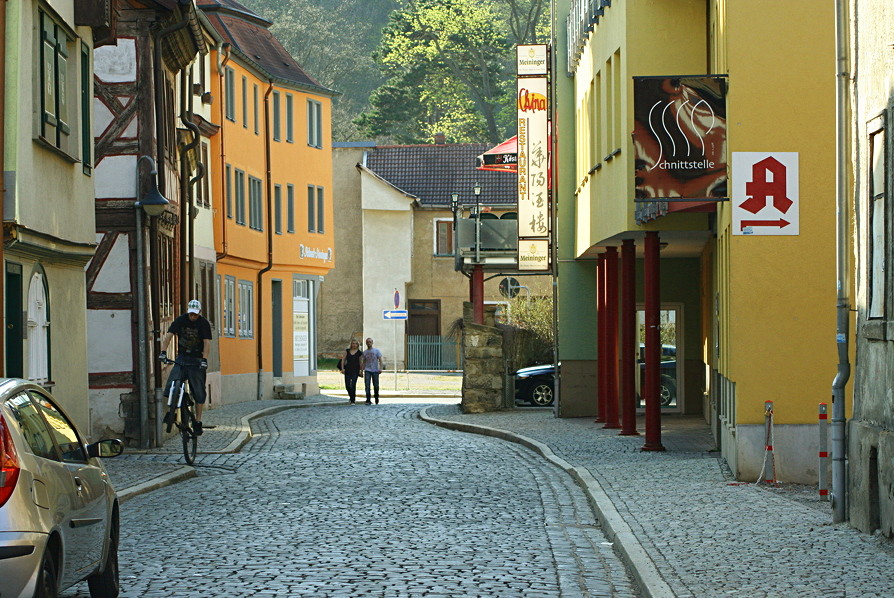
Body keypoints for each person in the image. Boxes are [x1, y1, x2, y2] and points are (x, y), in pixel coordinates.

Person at [158, 299, 212, 435]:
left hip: (197, 359)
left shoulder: (203, 323)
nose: (193, 317)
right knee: (171, 384)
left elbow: (206, 343)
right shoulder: (181, 320)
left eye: (195, 314)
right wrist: (163, 352)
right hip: (182, 358)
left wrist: (204, 359)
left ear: (199, 313)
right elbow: (169, 336)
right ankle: (171, 413)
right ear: (188, 312)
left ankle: (198, 421)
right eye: (191, 314)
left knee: (199, 391)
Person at [338, 339, 363, 404]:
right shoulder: (347, 351)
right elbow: (343, 360)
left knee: (353, 385)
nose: (354, 345)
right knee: (347, 385)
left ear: (357, 345)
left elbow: (360, 362)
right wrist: (342, 368)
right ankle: (351, 396)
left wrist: (361, 371)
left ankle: (353, 400)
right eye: (353, 343)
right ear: (351, 344)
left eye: (355, 343)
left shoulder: (359, 353)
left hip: (355, 370)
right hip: (348, 370)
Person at [360, 337, 384, 404]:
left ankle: (376, 397)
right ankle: (368, 399)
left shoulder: (376, 351)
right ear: (366, 343)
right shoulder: (365, 352)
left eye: (370, 342)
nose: (369, 343)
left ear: (372, 343)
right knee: (367, 385)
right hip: (367, 370)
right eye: (367, 342)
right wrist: (361, 371)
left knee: (376, 385)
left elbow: (380, 360)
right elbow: (364, 362)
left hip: (375, 370)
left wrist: (380, 368)